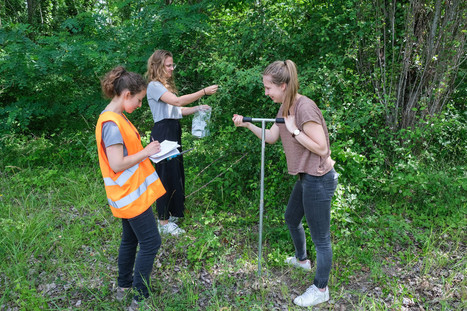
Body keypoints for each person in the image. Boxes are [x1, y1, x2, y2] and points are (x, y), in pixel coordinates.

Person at [232, 60, 338, 307]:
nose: (266, 92)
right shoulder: (284, 107)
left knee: (321, 239)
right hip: (306, 176)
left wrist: (295, 131)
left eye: (268, 87)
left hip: (319, 178)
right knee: (291, 217)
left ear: (283, 85)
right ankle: (302, 260)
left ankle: (321, 288)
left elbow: (322, 148)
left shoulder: (305, 108)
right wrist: (248, 123)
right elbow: (270, 137)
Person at [95, 66, 166, 310]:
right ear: (126, 95)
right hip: (130, 196)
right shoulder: (112, 124)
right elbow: (116, 163)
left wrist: (145, 152)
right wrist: (145, 152)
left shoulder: (116, 117)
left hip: (127, 194)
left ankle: (124, 286)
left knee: (130, 240)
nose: (139, 104)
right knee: (151, 242)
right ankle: (139, 297)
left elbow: (126, 154)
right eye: (138, 100)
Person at [145, 49, 218, 235]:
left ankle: (172, 213)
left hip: (173, 130)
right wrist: (203, 92)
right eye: (168, 65)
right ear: (158, 66)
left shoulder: (165, 87)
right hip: (162, 132)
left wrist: (197, 108)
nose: (171, 69)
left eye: (172, 65)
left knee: (175, 173)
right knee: (164, 176)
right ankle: (162, 221)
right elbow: (177, 102)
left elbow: (177, 111)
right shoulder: (154, 86)